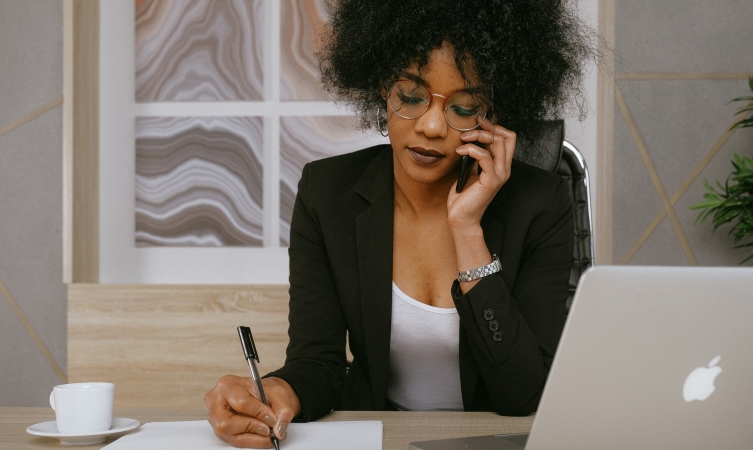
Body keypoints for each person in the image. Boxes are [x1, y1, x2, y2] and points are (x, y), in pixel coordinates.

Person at [205, 0, 593, 447]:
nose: (429, 126)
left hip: (493, 440)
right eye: (410, 96)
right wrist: (273, 392)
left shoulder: (540, 205)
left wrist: (468, 230)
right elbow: (317, 363)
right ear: (381, 89)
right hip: (380, 437)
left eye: (463, 107)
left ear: (494, 114)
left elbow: (523, 393)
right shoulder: (328, 194)